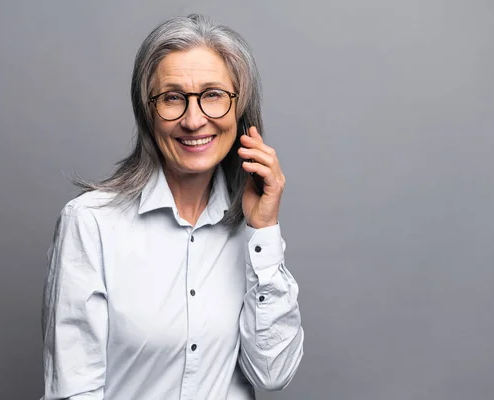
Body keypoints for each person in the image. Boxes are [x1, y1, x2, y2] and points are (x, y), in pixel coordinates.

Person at [41, 13, 304, 400]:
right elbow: (72, 390)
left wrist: (264, 231)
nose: (194, 120)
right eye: (172, 97)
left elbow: (274, 372)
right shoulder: (91, 224)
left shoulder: (250, 231)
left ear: (240, 110)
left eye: (213, 95)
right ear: (148, 112)